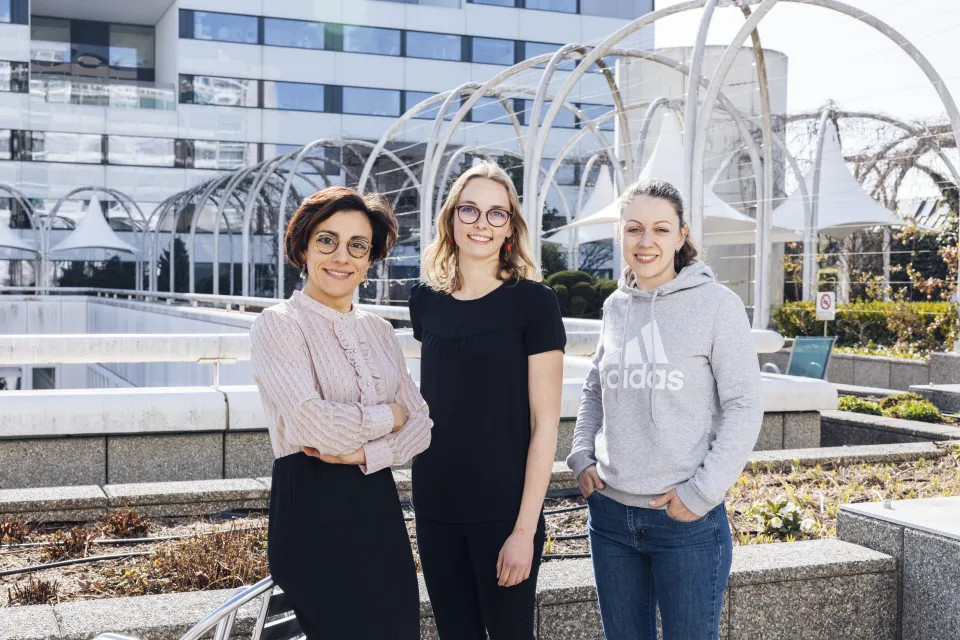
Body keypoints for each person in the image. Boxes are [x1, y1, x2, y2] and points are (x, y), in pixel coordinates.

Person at [567, 179, 762, 640]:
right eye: (634, 228)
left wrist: (701, 493)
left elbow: (745, 404)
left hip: (685, 525)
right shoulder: (615, 306)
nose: (646, 241)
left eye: (660, 229)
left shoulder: (717, 305)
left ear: (681, 235)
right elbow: (595, 384)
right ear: (621, 234)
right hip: (610, 518)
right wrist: (581, 455)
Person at [250, 186, 432, 640]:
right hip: (311, 509)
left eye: (357, 245)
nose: (341, 256)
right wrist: (390, 416)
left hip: (378, 509)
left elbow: (423, 426)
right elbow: (316, 427)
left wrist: (366, 454)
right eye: (327, 240)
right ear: (304, 247)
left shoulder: (380, 330)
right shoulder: (278, 324)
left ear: (370, 260)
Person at [409, 162, 566, 639]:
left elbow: (544, 426)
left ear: (510, 228)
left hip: (504, 514)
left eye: (497, 213)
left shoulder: (535, 304)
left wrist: (524, 530)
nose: (482, 223)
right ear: (451, 219)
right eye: (470, 210)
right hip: (435, 508)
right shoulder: (425, 301)